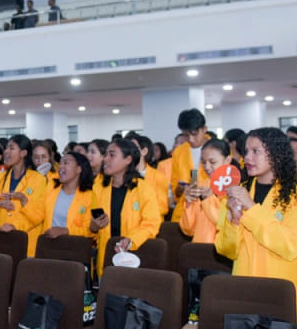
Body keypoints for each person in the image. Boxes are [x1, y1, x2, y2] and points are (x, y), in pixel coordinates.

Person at [217, 127, 297, 329]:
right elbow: (226, 249)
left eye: (256, 151)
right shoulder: (239, 190)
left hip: (281, 293)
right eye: (246, 151)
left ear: (276, 154)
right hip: (245, 291)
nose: (247, 157)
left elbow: (290, 245)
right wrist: (234, 223)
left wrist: (251, 209)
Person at [90, 138, 160, 276]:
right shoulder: (99, 187)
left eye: (112, 155)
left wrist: (131, 239)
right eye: (106, 155)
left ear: (128, 159)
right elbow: (92, 227)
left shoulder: (143, 188)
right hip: (106, 256)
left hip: (134, 255)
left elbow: (151, 223)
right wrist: (93, 227)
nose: (105, 159)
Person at [0, 134, 47, 256]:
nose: (6, 151)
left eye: (11, 148)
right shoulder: (0, 177)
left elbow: (37, 216)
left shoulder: (38, 179)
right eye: (6, 148)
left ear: (23, 153)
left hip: (25, 241)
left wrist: (14, 225)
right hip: (0, 238)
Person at [180, 138, 231, 243]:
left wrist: (208, 199)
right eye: (203, 162)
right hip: (199, 247)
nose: (207, 167)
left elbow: (225, 224)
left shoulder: (235, 187)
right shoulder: (201, 185)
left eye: (212, 162)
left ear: (227, 160)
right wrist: (189, 203)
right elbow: (188, 229)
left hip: (221, 252)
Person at [41, 151, 95, 239]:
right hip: (47, 246)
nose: (60, 167)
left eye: (66, 163)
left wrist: (66, 231)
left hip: (73, 249)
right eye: (60, 163)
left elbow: (91, 231)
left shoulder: (90, 196)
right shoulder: (51, 188)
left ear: (79, 169)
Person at [170, 109, 209, 222]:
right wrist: (180, 188)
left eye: (194, 134)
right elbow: (175, 187)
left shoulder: (218, 148)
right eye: (186, 135)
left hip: (209, 212)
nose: (191, 139)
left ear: (204, 129)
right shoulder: (179, 152)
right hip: (184, 212)